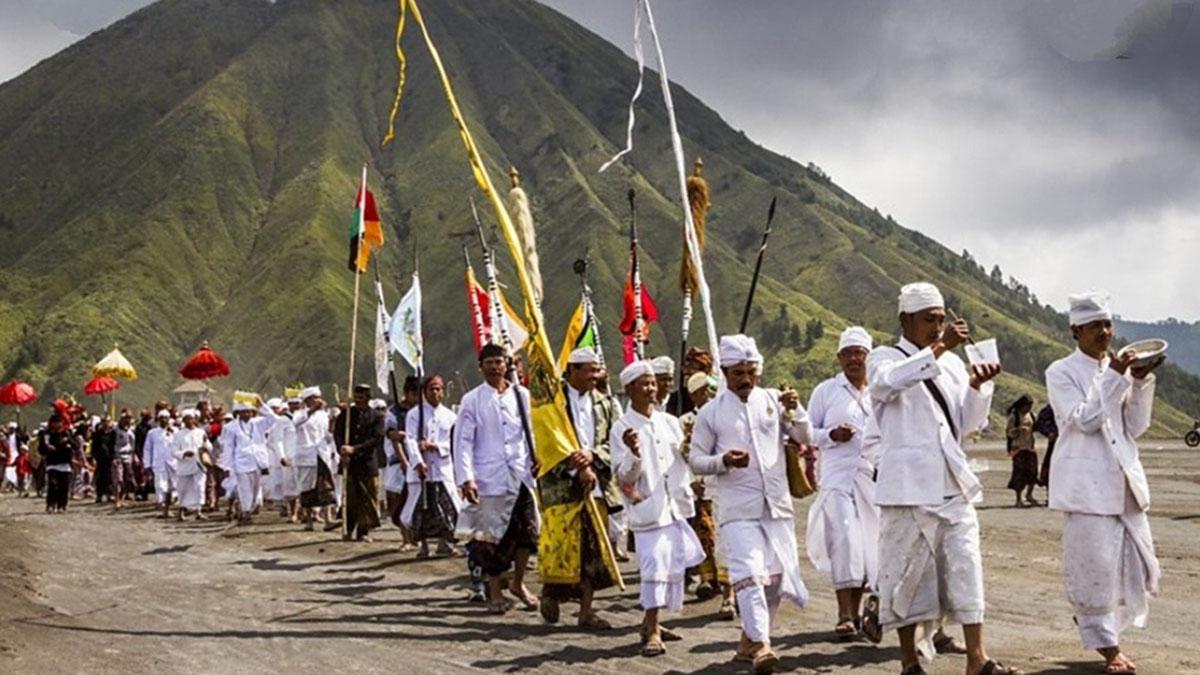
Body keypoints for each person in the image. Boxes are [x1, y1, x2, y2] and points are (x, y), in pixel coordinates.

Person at [867, 282, 1018, 675]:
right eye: (928, 320)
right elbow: (886, 384)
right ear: (905, 321)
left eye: (940, 319)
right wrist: (939, 349)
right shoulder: (883, 358)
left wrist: (979, 386)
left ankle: (977, 658)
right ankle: (909, 661)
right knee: (904, 572)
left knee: (966, 566)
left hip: (951, 482)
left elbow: (967, 424)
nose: (937, 327)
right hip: (906, 488)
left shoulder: (951, 364)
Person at [1045, 291, 1163, 675]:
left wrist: (1140, 383)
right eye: (1095, 325)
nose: (1104, 332)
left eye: (1108, 324)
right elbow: (1083, 419)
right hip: (1085, 486)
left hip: (1123, 480)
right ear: (1076, 331)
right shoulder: (1060, 372)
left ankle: (1099, 626)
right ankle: (1108, 647)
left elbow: (1134, 426)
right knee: (1092, 568)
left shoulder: (1119, 372)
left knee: (1136, 566)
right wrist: (1114, 377)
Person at [689, 334, 812, 673]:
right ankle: (763, 646)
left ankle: (748, 642)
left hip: (777, 506)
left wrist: (796, 409)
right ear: (724, 373)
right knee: (749, 576)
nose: (745, 380)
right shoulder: (710, 413)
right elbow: (696, 460)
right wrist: (723, 460)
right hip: (738, 510)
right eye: (737, 373)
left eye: (750, 372)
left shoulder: (773, 400)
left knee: (772, 579)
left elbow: (805, 437)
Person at [612, 360, 705, 657]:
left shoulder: (668, 422)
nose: (652, 388)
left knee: (671, 564)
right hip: (647, 508)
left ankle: (651, 621)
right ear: (629, 390)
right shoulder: (622, 428)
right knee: (652, 566)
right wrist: (634, 454)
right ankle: (652, 629)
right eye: (645, 384)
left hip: (674, 505)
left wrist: (695, 476)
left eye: (653, 383)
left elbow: (684, 457)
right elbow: (622, 477)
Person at [538, 346, 622, 628]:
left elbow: (616, 442)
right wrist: (576, 466)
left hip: (596, 484)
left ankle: (586, 611)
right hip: (561, 486)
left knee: (592, 549)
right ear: (572, 371)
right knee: (560, 545)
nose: (595, 376)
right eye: (589, 370)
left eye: (597, 370)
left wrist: (594, 456)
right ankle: (551, 593)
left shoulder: (606, 404)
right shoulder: (553, 404)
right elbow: (546, 443)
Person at [805, 326, 880, 638]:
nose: (854, 359)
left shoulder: (879, 390)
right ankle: (844, 614)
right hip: (837, 477)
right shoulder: (826, 391)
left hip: (872, 478)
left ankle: (866, 610)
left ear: (869, 357)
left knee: (869, 544)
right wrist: (831, 436)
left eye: (859, 353)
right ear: (838, 357)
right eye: (848, 353)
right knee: (845, 541)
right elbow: (805, 432)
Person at [453, 343, 540, 616]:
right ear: (481, 367)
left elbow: (532, 432)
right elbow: (463, 442)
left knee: (527, 533)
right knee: (491, 538)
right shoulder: (472, 400)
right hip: (488, 477)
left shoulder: (522, 395)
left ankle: (518, 583)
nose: (494, 367)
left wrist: (537, 458)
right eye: (488, 362)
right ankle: (494, 591)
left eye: (498, 362)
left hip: (521, 474)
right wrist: (467, 478)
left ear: (507, 365)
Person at [679, 370, 735, 618]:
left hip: (726, 487)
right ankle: (711, 582)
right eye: (703, 391)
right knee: (705, 536)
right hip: (700, 489)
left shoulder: (726, 415)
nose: (708, 395)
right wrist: (693, 482)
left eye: (710, 390)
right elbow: (685, 458)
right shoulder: (684, 422)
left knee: (728, 541)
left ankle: (734, 593)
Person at [403, 375, 459, 557]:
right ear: (424, 392)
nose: (435, 393)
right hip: (422, 471)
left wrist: (436, 446)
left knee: (448, 507)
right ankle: (423, 546)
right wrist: (418, 459)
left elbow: (454, 443)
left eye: (438, 389)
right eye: (431, 389)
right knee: (421, 510)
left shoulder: (450, 416)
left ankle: (445, 543)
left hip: (442, 468)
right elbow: (409, 440)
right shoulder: (414, 414)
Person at [333, 384, 385, 542]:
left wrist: (354, 449)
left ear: (368, 398)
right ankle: (348, 529)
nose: (358, 400)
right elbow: (338, 435)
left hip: (367, 463)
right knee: (350, 499)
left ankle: (363, 531)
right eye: (356, 397)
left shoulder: (377, 416)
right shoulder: (346, 415)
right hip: (349, 464)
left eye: (361, 397)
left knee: (367, 499)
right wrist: (342, 451)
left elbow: (376, 439)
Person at [219, 399, 273, 525]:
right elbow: (228, 448)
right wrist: (227, 467)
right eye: (243, 412)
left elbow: (273, 419)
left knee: (255, 490)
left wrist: (262, 405)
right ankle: (246, 512)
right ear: (238, 413)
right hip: (241, 463)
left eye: (249, 412)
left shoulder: (259, 423)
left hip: (258, 462)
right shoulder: (231, 427)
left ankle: (248, 509)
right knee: (244, 489)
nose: (246, 414)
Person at [294, 387, 338, 531]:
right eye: (315, 398)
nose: (318, 400)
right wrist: (312, 410)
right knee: (307, 488)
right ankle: (308, 520)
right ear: (308, 400)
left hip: (321, 454)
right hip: (306, 456)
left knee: (326, 487)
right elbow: (297, 423)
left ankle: (328, 520)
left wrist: (333, 426)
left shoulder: (323, 415)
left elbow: (327, 436)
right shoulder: (299, 414)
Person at [173, 409, 211, 520]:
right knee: (182, 489)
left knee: (199, 487)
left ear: (195, 419)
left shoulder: (201, 432)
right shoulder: (178, 435)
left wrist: (205, 445)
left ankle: (198, 511)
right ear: (183, 420)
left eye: (191, 418)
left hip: (199, 465)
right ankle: (181, 511)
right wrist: (184, 453)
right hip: (184, 466)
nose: (190, 421)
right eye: (187, 419)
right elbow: (174, 451)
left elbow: (209, 447)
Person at [1005, 394, 1039, 507]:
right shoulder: (1014, 416)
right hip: (1018, 448)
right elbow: (1009, 432)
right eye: (1027, 406)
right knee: (1019, 474)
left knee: (1033, 472)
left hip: (1030, 447)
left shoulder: (1031, 416)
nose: (1029, 408)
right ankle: (1018, 499)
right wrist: (1018, 430)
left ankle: (1029, 494)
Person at [39, 414, 77, 513]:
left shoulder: (67, 433)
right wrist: (47, 448)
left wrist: (68, 440)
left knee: (64, 486)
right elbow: (41, 449)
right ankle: (50, 504)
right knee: (53, 484)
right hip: (52, 463)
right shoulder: (46, 434)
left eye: (59, 422)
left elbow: (76, 446)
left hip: (65, 463)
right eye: (55, 422)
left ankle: (62, 505)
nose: (57, 425)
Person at [143, 410, 176, 518]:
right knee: (161, 487)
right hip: (159, 464)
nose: (164, 420)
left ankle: (168, 509)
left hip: (173, 463)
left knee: (173, 487)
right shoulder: (152, 433)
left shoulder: (175, 431)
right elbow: (147, 449)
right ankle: (163, 509)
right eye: (162, 417)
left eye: (166, 417)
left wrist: (173, 433)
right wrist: (147, 464)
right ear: (158, 419)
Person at [112, 413, 137, 510]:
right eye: (125, 418)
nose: (127, 421)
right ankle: (117, 500)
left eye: (129, 419)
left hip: (128, 456)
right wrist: (113, 457)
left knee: (128, 478)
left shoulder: (131, 431)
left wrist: (134, 455)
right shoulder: (115, 431)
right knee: (118, 479)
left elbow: (133, 444)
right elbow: (111, 444)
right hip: (118, 456)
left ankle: (124, 497)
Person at [91, 416, 116, 503]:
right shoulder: (97, 434)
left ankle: (110, 494)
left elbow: (113, 446)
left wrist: (113, 457)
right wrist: (93, 458)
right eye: (104, 421)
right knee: (100, 478)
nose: (106, 423)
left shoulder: (112, 433)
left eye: (107, 421)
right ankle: (99, 495)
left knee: (110, 477)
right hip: (100, 458)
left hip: (109, 458)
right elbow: (94, 447)